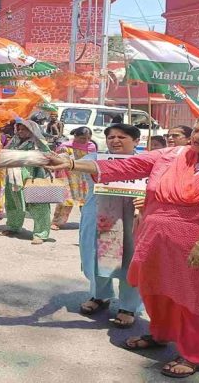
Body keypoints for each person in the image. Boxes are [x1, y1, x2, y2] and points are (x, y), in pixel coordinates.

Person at [46, 111, 199, 378]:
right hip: (156, 241)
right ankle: (161, 334)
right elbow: (124, 167)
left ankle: (194, 355)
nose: (196, 137)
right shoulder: (173, 155)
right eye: (197, 130)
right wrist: (72, 164)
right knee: (157, 292)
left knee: (197, 302)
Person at [76, 124, 143, 330]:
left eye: (122, 137)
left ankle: (128, 307)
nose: (115, 141)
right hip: (98, 214)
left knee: (132, 260)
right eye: (111, 137)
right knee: (96, 256)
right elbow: (76, 167)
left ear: (136, 141)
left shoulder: (147, 160)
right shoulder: (94, 159)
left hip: (134, 216)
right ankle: (99, 296)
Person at [1, 119, 53, 244]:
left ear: (32, 130)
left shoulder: (39, 143)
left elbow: (47, 157)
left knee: (38, 205)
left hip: (33, 178)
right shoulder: (14, 141)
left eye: (24, 129)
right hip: (13, 179)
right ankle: (13, 227)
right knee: (13, 203)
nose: (20, 132)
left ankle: (41, 233)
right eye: (19, 129)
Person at [51, 126, 96, 229]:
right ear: (75, 136)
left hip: (84, 177)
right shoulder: (65, 146)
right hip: (68, 176)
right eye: (82, 138)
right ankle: (56, 222)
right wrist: (60, 153)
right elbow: (58, 160)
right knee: (66, 199)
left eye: (88, 138)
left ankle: (88, 223)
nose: (86, 141)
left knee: (86, 200)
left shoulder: (91, 147)